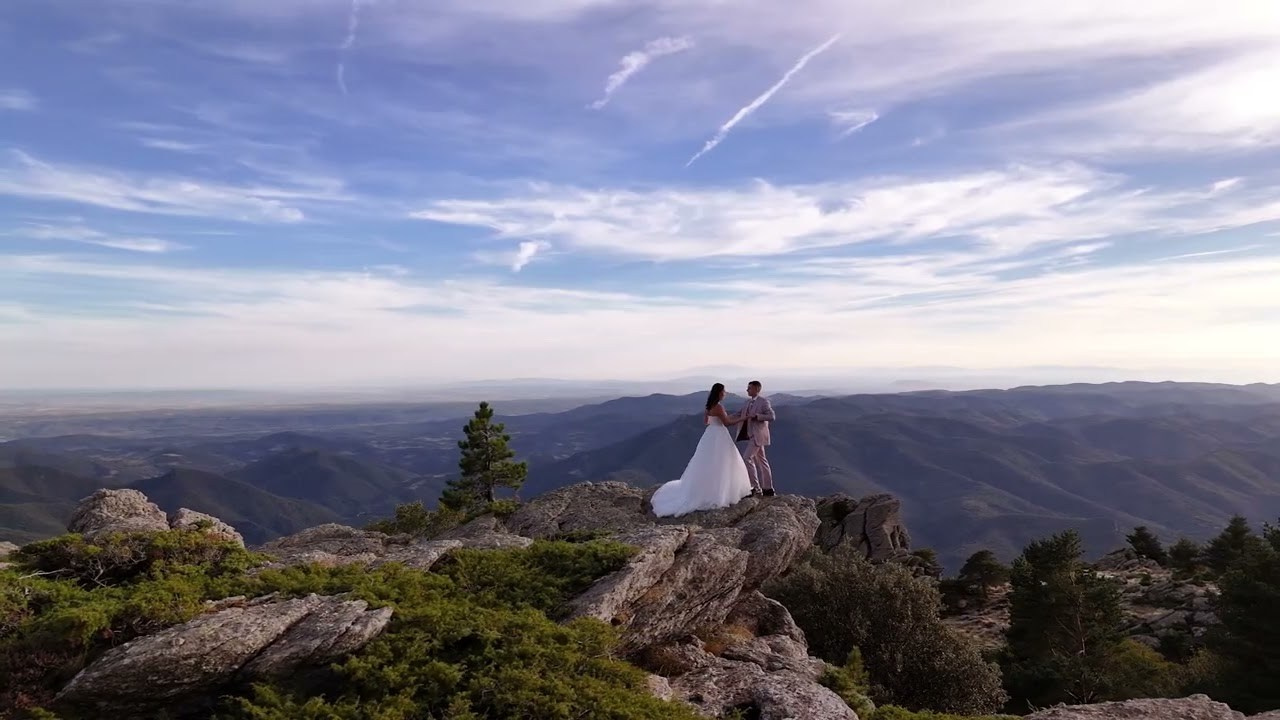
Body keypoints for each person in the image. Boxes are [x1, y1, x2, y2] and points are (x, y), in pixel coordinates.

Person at [650, 382, 754, 517]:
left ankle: (708, 489)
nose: (725, 393)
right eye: (724, 391)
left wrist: (726, 418)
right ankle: (722, 491)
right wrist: (744, 418)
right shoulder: (719, 407)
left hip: (709, 434)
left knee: (708, 463)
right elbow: (727, 423)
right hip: (719, 435)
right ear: (719, 393)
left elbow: (706, 422)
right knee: (724, 462)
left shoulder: (709, 406)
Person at [736, 380, 776, 496]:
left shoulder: (764, 402)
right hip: (752, 436)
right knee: (762, 461)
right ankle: (768, 489)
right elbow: (739, 414)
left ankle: (755, 487)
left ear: (756, 389)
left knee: (747, 458)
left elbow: (772, 416)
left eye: (749, 388)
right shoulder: (747, 402)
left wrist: (758, 416)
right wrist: (723, 419)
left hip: (758, 436)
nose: (747, 390)